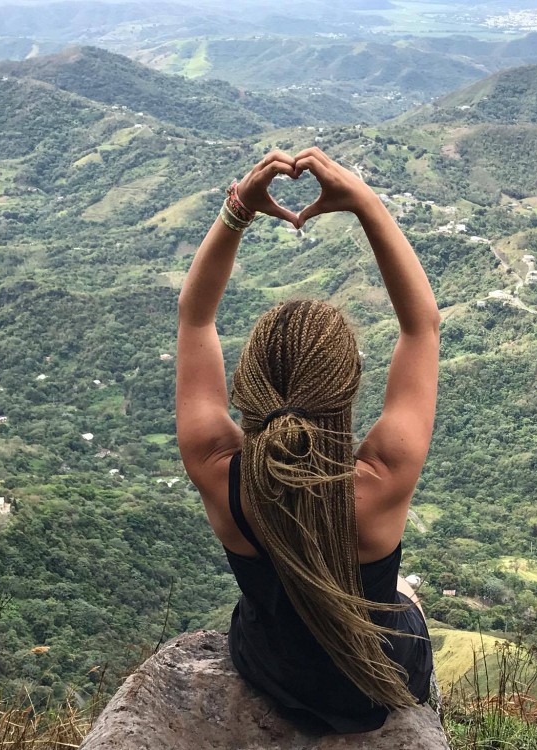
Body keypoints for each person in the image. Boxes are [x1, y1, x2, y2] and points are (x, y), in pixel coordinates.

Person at [175, 147, 440, 733]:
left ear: (248, 383)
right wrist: (365, 204)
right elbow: (421, 325)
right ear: (346, 388)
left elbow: (194, 316)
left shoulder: (218, 469)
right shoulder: (379, 481)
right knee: (406, 602)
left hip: (271, 671)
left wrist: (237, 210)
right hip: (374, 686)